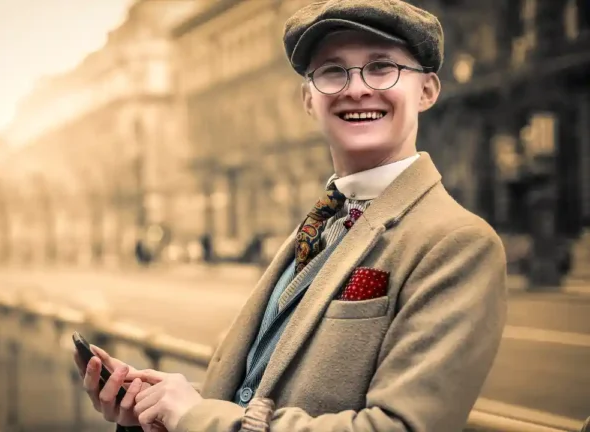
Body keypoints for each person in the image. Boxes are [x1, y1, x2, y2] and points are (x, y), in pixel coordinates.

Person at [74, 1, 508, 431]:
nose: (356, 88)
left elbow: (399, 428)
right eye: (333, 71)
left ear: (427, 91)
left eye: (381, 67)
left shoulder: (458, 242)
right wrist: (158, 410)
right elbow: (258, 390)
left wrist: (198, 416)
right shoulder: (322, 219)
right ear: (308, 99)